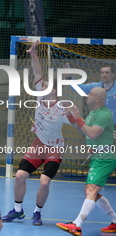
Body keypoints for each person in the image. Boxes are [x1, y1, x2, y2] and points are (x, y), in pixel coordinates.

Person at [1, 41, 75, 226]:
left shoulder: (61, 108)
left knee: (43, 182)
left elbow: (78, 124)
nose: (44, 86)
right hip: (38, 144)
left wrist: (75, 114)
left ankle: (37, 212)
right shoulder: (40, 97)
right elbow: (38, 72)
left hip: (54, 149)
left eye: (48, 85)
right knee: (19, 176)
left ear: (55, 91)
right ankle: (17, 211)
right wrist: (33, 54)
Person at [56, 87, 116, 236]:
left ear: (97, 98)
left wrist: (78, 116)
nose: (87, 96)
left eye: (89, 94)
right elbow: (79, 127)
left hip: (105, 157)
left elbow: (92, 134)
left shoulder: (103, 114)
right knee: (90, 191)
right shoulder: (93, 113)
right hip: (97, 157)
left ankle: (77, 224)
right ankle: (115, 221)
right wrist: (71, 115)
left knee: (91, 190)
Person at [63, 63, 116, 129]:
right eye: (102, 72)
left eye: (107, 72)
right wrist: (68, 78)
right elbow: (78, 88)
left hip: (114, 123)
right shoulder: (96, 86)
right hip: (99, 122)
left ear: (113, 74)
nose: (104, 74)